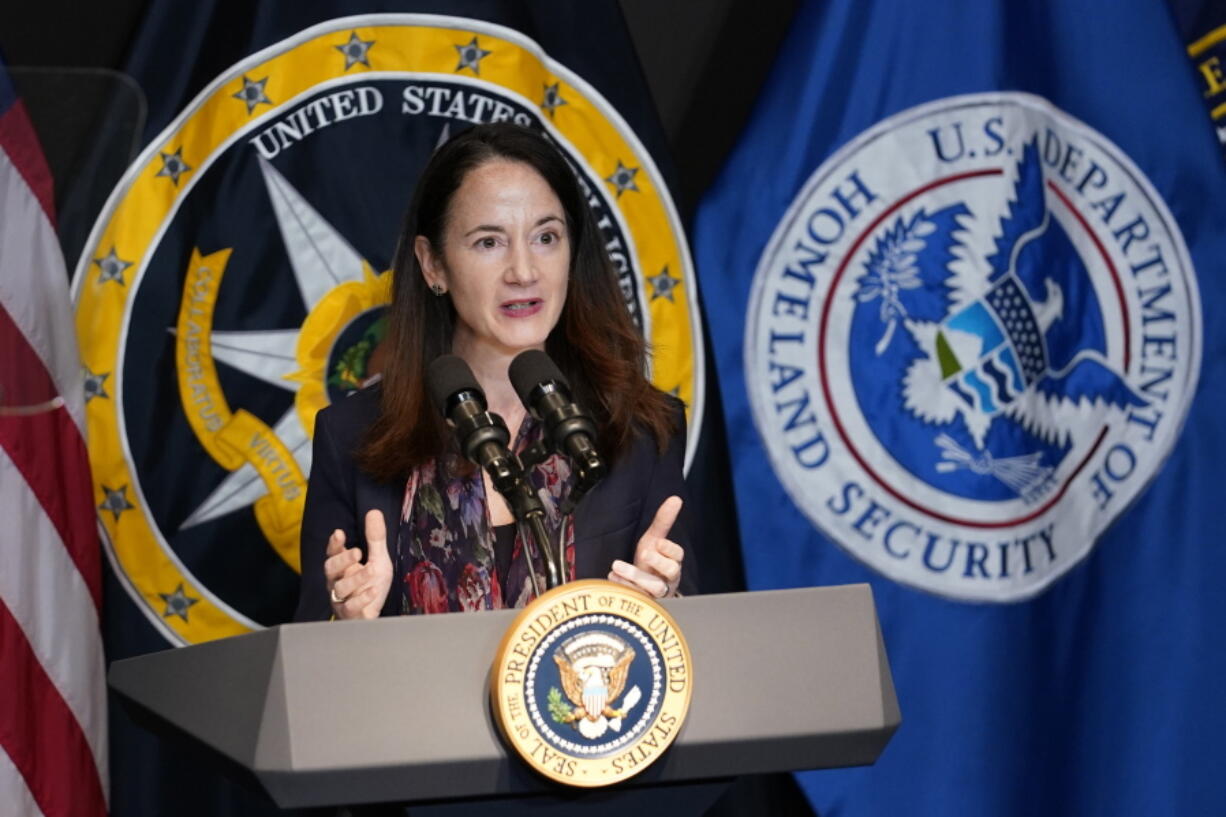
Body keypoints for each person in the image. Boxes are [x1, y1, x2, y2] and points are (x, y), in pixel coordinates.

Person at [294, 122, 693, 622]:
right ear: (432, 264)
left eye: (546, 237)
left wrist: (667, 608)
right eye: (489, 243)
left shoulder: (642, 428)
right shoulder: (351, 436)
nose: (524, 271)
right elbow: (307, 660)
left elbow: (687, 652)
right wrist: (347, 625)